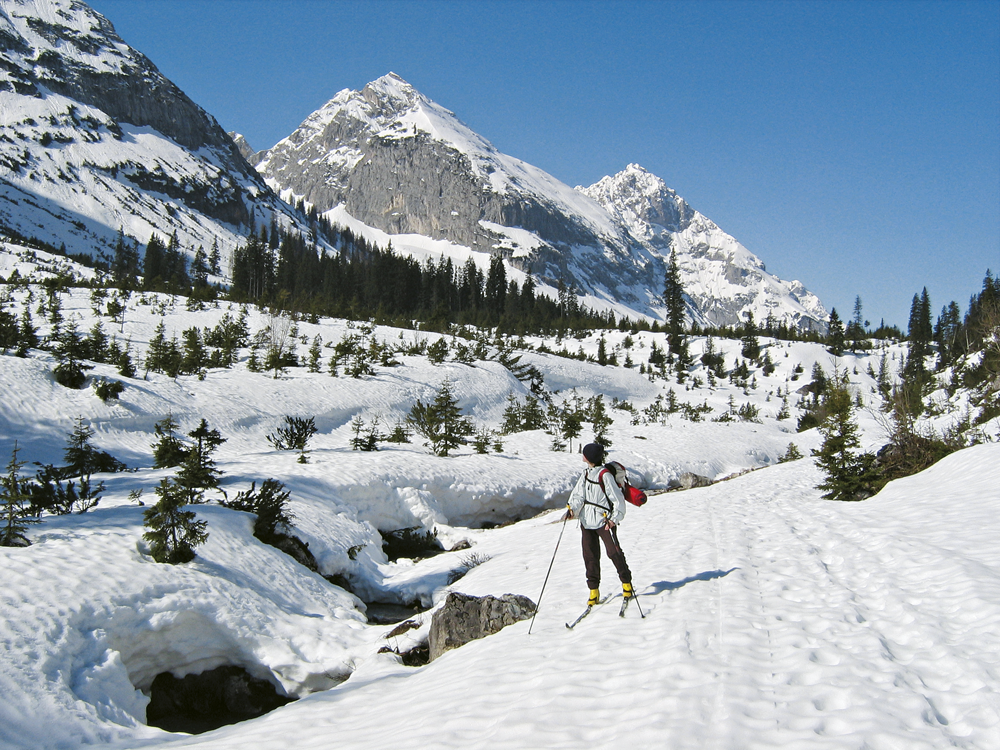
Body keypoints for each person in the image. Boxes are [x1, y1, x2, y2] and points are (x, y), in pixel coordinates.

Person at [566, 442, 634, 606]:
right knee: (590, 556)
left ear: (588, 457)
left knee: (614, 553)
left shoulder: (605, 476)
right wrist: (572, 509)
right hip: (586, 521)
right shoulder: (587, 473)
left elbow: (618, 501)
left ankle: (627, 584)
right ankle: (593, 591)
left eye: (584, 454)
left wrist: (613, 520)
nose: (582, 456)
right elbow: (578, 495)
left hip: (604, 522)